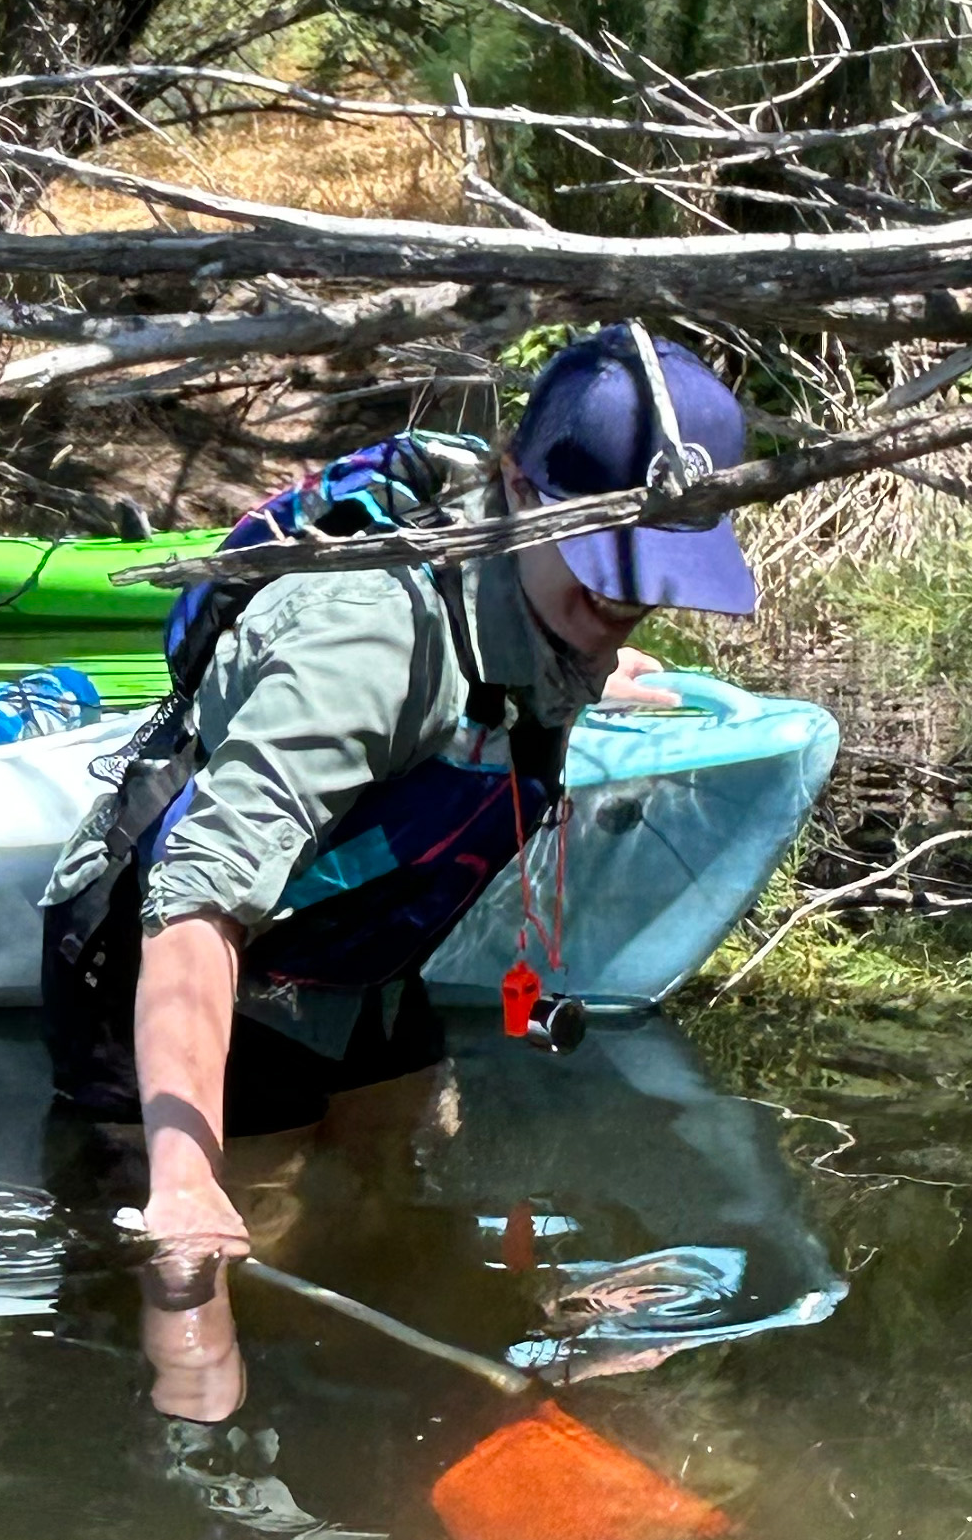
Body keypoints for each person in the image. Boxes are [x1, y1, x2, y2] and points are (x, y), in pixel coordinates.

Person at [38, 322, 764, 1273]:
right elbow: (197, 892)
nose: (628, 596)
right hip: (178, 951)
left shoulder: (544, 604)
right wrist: (182, 1178)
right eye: (604, 566)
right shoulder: (367, 641)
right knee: (223, 1271)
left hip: (352, 962)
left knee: (398, 1195)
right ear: (516, 487)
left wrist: (597, 649)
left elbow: (537, 642)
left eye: (652, 578)